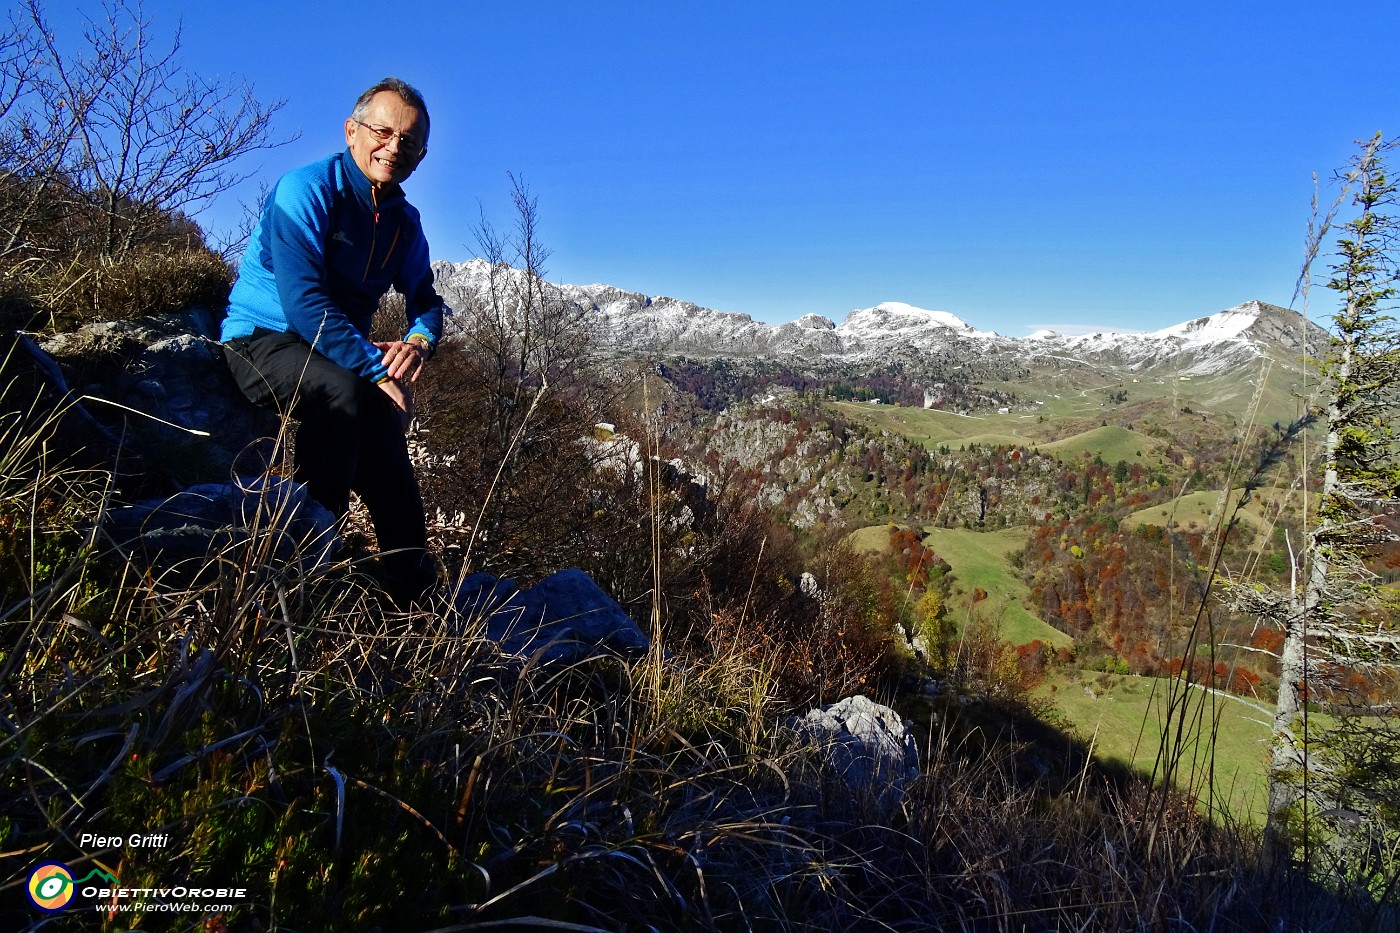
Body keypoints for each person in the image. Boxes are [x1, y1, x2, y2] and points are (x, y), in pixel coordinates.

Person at [221, 77, 446, 607]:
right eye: (383, 131)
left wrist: (417, 342)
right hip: (260, 338)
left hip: (330, 349)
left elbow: (426, 300)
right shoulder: (306, 189)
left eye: (409, 142)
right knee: (341, 394)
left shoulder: (403, 224)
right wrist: (376, 370)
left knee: (382, 430)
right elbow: (304, 304)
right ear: (352, 130)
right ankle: (304, 567)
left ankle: (411, 587)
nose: (394, 148)